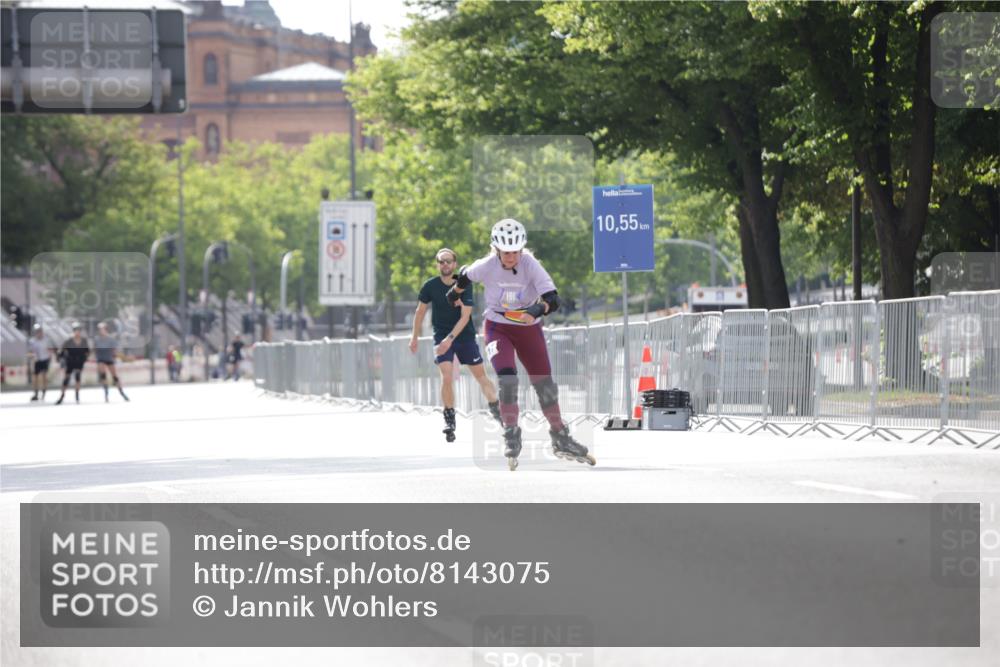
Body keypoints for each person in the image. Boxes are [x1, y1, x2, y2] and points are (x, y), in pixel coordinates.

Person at [446, 219, 595, 469]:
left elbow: (553, 299)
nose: (511, 257)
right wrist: (455, 292)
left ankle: (561, 436)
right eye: (506, 253)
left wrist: (537, 308)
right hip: (497, 327)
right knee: (507, 380)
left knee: (544, 385)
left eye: (516, 251)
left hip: (528, 328)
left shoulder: (530, 264)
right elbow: (465, 274)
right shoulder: (487, 265)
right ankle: (511, 433)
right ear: (496, 250)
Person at [411, 248, 501, 442]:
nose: (445, 265)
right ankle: (449, 418)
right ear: (437, 264)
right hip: (441, 336)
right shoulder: (430, 286)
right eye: (441, 261)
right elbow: (420, 312)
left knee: (481, 376)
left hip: (464, 335)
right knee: (446, 376)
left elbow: (465, 316)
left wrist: (449, 339)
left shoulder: (463, 283)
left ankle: (496, 407)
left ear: (454, 263)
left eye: (448, 261)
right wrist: (414, 337)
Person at [55, 322, 90, 405]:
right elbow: (61, 350)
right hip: (70, 361)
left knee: (78, 377)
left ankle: (77, 396)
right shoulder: (69, 340)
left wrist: (85, 358)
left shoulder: (84, 341)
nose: (77, 332)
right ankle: (62, 396)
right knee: (66, 379)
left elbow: (87, 351)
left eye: (78, 330)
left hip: (79, 361)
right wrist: (60, 357)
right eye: (76, 330)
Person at [94, 321, 129, 402]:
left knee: (115, 376)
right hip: (101, 359)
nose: (101, 331)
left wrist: (122, 357)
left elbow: (114, 351)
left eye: (103, 329)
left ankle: (121, 392)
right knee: (103, 375)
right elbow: (95, 350)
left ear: (106, 330)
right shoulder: (97, 339)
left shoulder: (110, 339)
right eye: (100, 329)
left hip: (109, 358)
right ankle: (106, 394)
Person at [27, 323, 54, 402]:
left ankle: (44, 393)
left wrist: (50, 355)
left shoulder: (46, 340)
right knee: (35, 378)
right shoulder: (32, 341)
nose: (39, 333)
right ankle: (36, 393)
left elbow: (51, 349)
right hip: (37, 360)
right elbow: (29, 352)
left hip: (45, 359)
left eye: (40, 331)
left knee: (44, 377)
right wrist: (32, 356)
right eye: (37, 331)